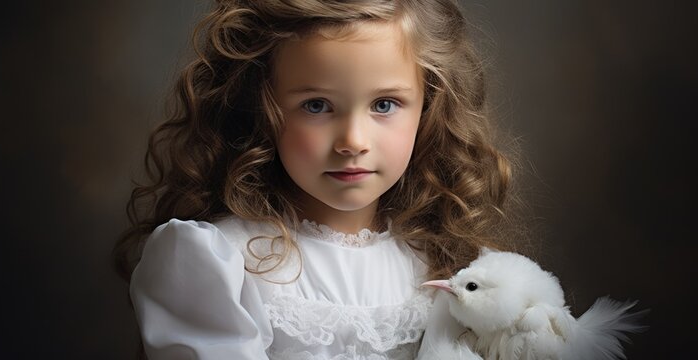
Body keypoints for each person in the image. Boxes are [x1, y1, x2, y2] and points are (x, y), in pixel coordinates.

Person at [114, 0, 522, 358]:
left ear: (428, 107)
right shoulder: (218, 264)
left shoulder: (451, 267)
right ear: (262, 107)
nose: (352, 141)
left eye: (384, 104)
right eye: (316, 105)